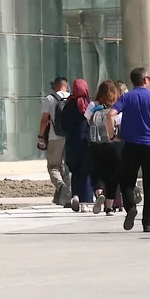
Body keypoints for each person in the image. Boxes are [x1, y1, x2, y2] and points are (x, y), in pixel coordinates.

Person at [106, 67, 150, 233]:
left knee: (127, 181)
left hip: (130, 146)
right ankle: (147, 223)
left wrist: (112, 135)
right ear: (145, 80)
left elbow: (110, 115)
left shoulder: (126, 97)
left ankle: (130, 208)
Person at [86, 80, 122, 215]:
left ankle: (99, 192)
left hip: (96, 144)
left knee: (97, 172)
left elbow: (88, 121)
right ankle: (109, 207)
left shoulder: (92, 105)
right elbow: (120, 125)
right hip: (114, 144)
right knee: (112, 175)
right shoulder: (117, 107)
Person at [61, 79, 95, 212]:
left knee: (75, 171)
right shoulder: (88, 104)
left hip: (71, 143)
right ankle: (84, 202)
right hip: (85, 143)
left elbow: (62, 125)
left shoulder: (68, 104)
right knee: (85, 172)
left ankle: (75, 195)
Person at [38, 77, 70, 205]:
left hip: (54, 137)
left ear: (56, 86)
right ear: (66, 86)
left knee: (53, 166)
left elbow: (44, 120)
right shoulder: (72, 98)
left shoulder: (50, 99)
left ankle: (61, 187)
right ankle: (66, 195)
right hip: (70, 137)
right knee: (66, 167)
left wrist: (40, 135)